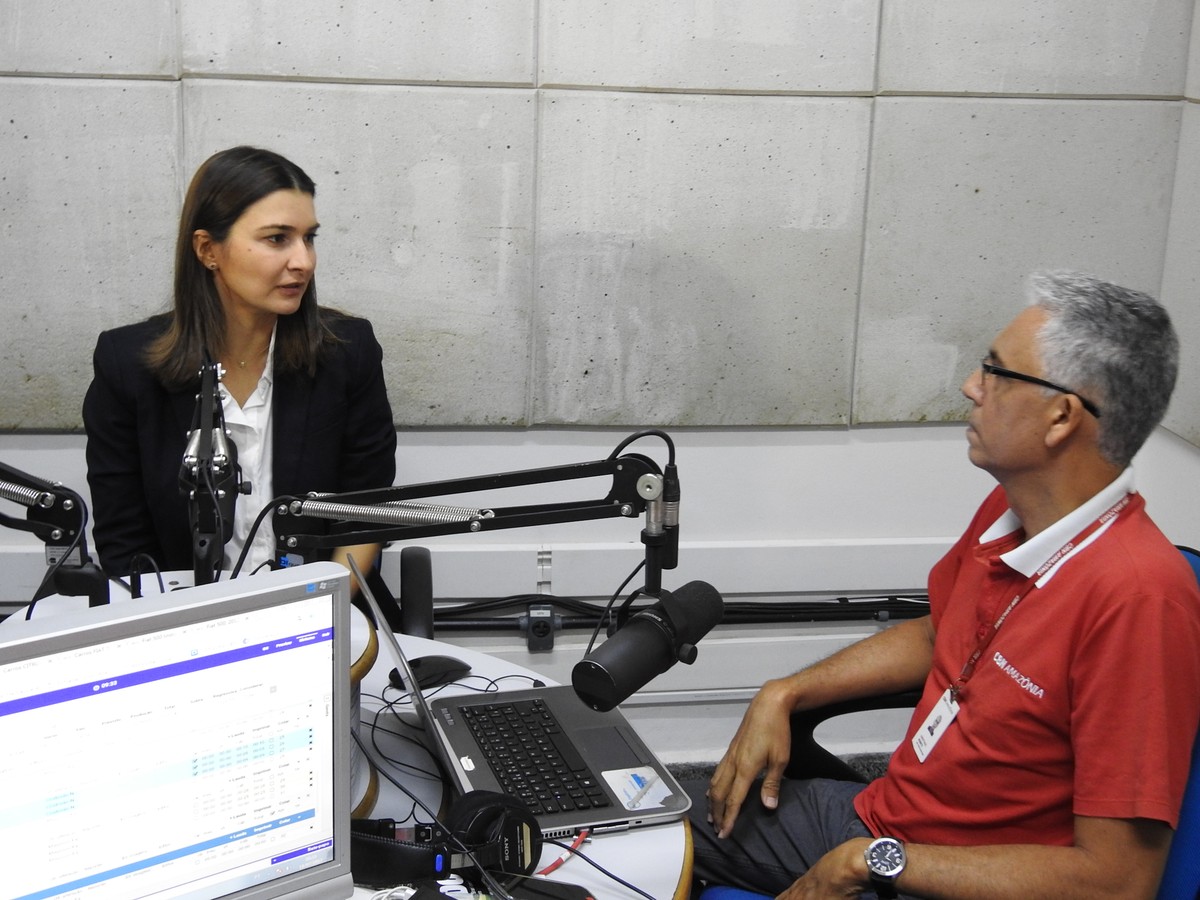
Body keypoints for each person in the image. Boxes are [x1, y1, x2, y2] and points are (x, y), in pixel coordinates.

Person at [689, 272, 1200, 899]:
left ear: (1061, 417)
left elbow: (1116, 883)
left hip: (956, 879)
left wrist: (865, 863)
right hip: (885, 824)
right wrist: (785, 691)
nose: (969, 387)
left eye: (996, 372)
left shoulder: (1140, 598)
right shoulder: (1010, 509)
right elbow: (941, 634)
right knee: (635, 823)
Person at [83, 146, 396, 586]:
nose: (303, 261)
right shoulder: (126, 366)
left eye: (309, 237)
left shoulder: (348, 352)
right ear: (209, 249)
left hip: (325, 611)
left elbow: (367, 515)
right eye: (277, 239)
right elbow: (125, 543)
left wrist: (319, 609)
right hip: (182, 618)